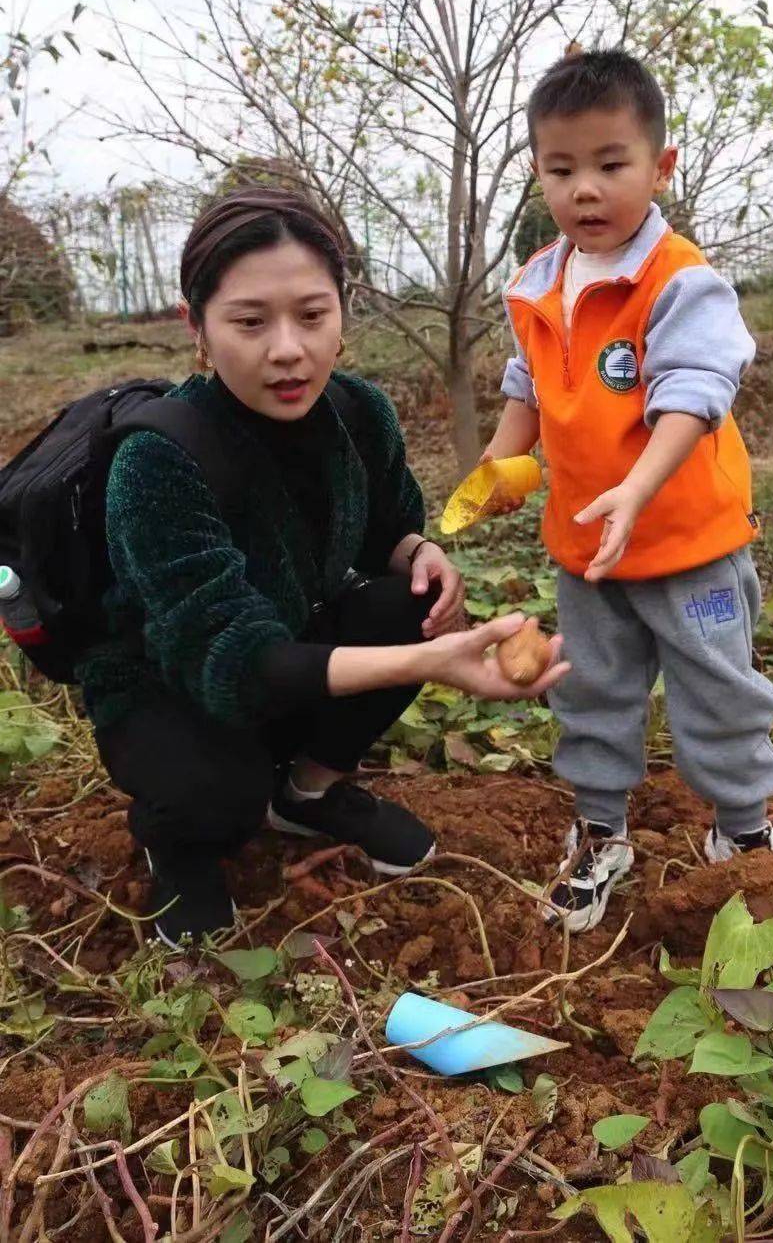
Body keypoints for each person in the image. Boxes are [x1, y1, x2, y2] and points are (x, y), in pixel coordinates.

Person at [77, 186, 568, 946]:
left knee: (409, 599)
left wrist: (420, 553)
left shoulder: (359, 412)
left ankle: (306, 793)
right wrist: (433, 662)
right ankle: (177, 845)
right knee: (217, 794)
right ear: (197, 327)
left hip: (286, 645)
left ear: (343, 313)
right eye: (249, 321)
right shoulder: (157, 460)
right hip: (172, 682)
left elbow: (387, 529)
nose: (287, 349)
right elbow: (234, 663)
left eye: (312, 316)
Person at [483, 50, 773, 932]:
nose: (585, 189)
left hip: (687, 546)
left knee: (717, 694)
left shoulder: (680, 279)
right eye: (561, 168)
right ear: (538, 172)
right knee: (591, 692)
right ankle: (600, 832)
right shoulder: (539, 282)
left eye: (610, 165)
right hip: (589, 551)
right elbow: (527, 383)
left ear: (660, 166)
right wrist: (504, 466)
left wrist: (637, 491)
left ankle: (744, 834)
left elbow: (693, 394)